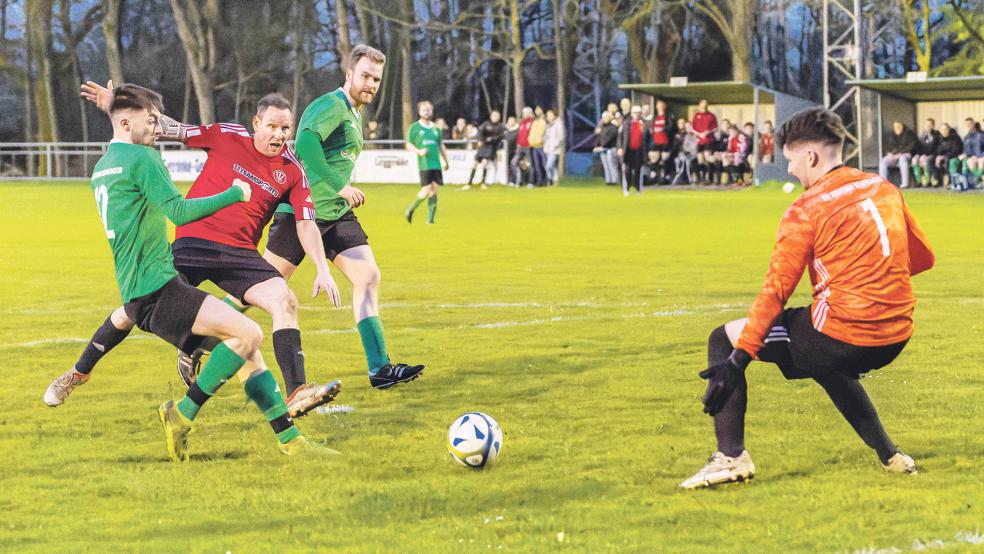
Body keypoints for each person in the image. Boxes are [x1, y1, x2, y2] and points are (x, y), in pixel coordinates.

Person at [47, 84, 330, 460]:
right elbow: (178, 187)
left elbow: (148, 127)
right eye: (273, 127)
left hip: (219, 258)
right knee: (242, 335)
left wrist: (117, 107)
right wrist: (233, 193)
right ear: (256, 123)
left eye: (286, 129)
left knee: (266, 321)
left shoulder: (105, 168)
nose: (280, 135)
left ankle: (291, 429)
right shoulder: (150, 158)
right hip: (184, 253)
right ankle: (171, 405)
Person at [680, 107, 934, 489]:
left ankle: (730, 458)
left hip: (848, 334)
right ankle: (892, 456)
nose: (790, 171)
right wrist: (872, 290)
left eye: (790, 161)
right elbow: (923, 257)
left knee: (723, 337)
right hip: (898, 333)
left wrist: (737, 360)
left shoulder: (806, 209)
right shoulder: (883, 188)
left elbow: (775, 290)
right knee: (822, 360)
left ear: (811, 157)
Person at [265, 44, 425, 389]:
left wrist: (338, 195)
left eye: (376, 79)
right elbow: (305, 145)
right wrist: (340, 185)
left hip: (336, 214)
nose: (370, 84)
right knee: (257, 287)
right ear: (349, 74)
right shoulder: (330, 105)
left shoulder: (353, 111)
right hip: (301, 213)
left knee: (368, 276)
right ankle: (196, 339)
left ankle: (380, 369)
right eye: (365, 75)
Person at [405, 100, 450, 223]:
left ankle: (430, 220)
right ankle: (410, 209)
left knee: (435, 190)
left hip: (436, 164)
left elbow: (440, 146)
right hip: (424, 164)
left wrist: (446, 161)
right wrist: (419, 151)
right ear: (419, 112)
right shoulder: (414, 127)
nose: (427, 111)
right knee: (425, 191)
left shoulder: (436, 129)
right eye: (424, 109)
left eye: (429, 109)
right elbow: (408, 145)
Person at [465, 110, 505, 190]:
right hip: (483, 146)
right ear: (491, 116)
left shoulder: (500, 126)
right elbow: (479, 133)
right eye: (493, 116)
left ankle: (483, 183)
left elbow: (501, 136)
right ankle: (469, 183)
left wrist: (492, 139)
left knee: (484, 163)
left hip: (490, 147)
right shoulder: (486, 124)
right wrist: (479, 140)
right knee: (475, 164)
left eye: (496, 116)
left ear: (499, 118)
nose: (495, 118)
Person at [617, 105, 650, 195]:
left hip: (639, 151)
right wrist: (620, 148)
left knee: (638, 170)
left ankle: (638, 189)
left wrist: (648, 151)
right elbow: (620, 137)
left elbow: (648, 139)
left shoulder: (644, 125)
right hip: (628, 151)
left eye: (638, 113)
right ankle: (626, 189)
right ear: (631, 113)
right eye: (635, 113)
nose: (637, 115)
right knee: (627, 170)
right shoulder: (626, 124)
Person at [878, 121, 918, 188]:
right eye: (895, 127)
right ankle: (883, 183)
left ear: (902, 126)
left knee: (902, 159)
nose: (897, 128)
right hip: (893, 155)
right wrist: (890, 153)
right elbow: (887, 146)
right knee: (883, 161)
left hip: (905, 154)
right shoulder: (890, 134)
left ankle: (905, 183)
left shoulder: (909, 134)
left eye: (899, 126)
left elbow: (912, 146)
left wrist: (900, 153)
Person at [691, 99, 718, 184]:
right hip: (700, 140)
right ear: (699, 105)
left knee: (708, 156)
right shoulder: (696, 115)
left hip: (708, 140)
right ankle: (701, 178)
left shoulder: (711, 115)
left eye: (706, 104)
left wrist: (708, 132)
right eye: (702, 103)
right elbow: (693, 128)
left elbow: (715, 127)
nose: (704, 105)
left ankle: (710, 177)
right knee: (700, 160)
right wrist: (699, 134)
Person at [650, 99, 675, 184]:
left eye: (661, 104)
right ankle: (654, 177)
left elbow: (672, 128)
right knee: (654, 160)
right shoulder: (654, 117)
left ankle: (664, 177)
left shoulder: (669, 116)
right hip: (656, 142)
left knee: (664, 161)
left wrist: (663, 129)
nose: (659, 106)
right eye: (658, 105)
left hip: (665, 142)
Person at [912, 118, 941, 188]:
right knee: (914, 160)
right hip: (923, 155)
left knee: (924, 160)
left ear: (933, 126)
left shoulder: (936, 135)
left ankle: (927, 181)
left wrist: (927, 155)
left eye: (930, 125)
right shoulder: (922, 135)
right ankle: (919, 181)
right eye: (926, 124)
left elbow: (936, 147)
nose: (928, 126)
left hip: (932, 154)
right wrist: (918, 155)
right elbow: (919, 147)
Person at [956, 118, 983, 190]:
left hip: (981, 156)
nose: (968, 125)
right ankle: (977, 180)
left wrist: (980, 155)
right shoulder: (966, 137)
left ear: (973, 124)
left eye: (970, 124)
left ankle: (977, 180)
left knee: (981, 161)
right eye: (967, 124)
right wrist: (964, 155)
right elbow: (966, 151)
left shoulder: (981, 135)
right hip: (973, 156)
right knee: (969, 161)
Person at [593, 111, 620, 186]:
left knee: (612, 165)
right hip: (603, 149)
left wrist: (602, 146)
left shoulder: (613, 127)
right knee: (606, 166)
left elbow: (610, 138)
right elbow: (599, 138)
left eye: (606, 117)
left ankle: (614, 180)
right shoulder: (603, 127)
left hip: (610, 148)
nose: (604, 119)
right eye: (603, 117)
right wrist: (596, 146)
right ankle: (608, 180)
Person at [510, 107, 534, 187]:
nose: (524, 114)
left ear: (529, 113)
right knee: (513, 163)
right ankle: (516, 180)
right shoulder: (522, 122)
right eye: (523, 112)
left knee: (530, 164)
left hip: (528, 146)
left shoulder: (532, 122)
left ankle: (531, 182)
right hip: (519, 146)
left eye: (525, 112)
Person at [934, 123, 962, 189]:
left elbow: (956, 151)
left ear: (949, 129)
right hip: (945, 157)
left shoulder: (955, 137)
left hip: (956, 157)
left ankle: (953, 182)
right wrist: (939, 156)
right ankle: (936, 180)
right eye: (942, 130)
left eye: (946, 129)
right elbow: (937, 150)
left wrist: (944, 156)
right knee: (932, 160)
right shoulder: (939, 138)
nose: (944, 131)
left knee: (951, 161)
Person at [543, 108, 565, 186]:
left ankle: (550, 178)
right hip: (548, 149)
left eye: (549, 114)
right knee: (553, 166)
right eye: (547, 115)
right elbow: (546, 136)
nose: (548, 116)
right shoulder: (549, 125)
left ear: (553, 114)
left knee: (548, 166)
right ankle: (554, 180)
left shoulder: (558, 123)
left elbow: (561, 136)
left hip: (555, 149)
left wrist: (555, 145)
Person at [528, 106, 547, 186]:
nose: (537, 111)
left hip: (542, 146)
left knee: (544, 164)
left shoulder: (544, 121)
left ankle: (546, 180)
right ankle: (539, 181)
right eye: (536, 109)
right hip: (534, 146)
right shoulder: (535, 122)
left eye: (539, 109)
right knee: (537, 165)